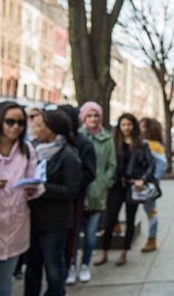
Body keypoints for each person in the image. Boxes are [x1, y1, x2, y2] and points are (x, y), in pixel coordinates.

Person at [25, 109, 82, 296]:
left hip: (54, 222)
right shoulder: (30, 149)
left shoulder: (68, 155)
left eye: (39, 125)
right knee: (32, 266)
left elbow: (72, 190)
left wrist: (43, 187)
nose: (34, 128)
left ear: (52, 129)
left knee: (53, 266)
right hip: (30, 218)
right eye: (34, 123)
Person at [0, 102, 44, 296]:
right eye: (10, 122)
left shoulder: (27, 150)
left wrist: (32, 187)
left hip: (14, 227)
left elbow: (35, 183)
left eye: (20, 122)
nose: (16, 127)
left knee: (4, 284)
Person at [95, 113, 156, 266]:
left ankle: (124, 252)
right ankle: (104, 252)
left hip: (132, 187)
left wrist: (142, 179)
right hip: (116, 187)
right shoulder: (113, 142)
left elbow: (151, 164)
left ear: (133, 126)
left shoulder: (141, 144)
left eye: (129, 124)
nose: (126, 128)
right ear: (119, 126)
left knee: (130, 221)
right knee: (110, 220)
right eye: (123, 125)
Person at [65, 101, 116, 283]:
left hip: (97, 195)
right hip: (78, 195)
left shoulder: (107, 138)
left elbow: (112, 165)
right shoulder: (77, 138)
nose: (93, 119)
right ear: (83, 118)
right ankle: (71, 265)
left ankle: (85, 264)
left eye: (96, 115)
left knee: (90, 237)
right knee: (74, 234)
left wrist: (104, 182)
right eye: (89, 115)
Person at [59, 105, 96, 285]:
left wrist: (71, 186)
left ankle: (73, 265)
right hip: (51, 204)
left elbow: (90, 173)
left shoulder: (83, 144)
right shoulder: (49, 143)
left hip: (75, 200)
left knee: (76, 234)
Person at [139, 117, 167, 253]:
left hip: (147, 185)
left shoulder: (154, 145)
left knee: (150, 211)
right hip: (138, 183)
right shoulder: (142, 142)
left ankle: (152, 239)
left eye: (142, 126)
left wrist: (152, 182)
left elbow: (162, 165)